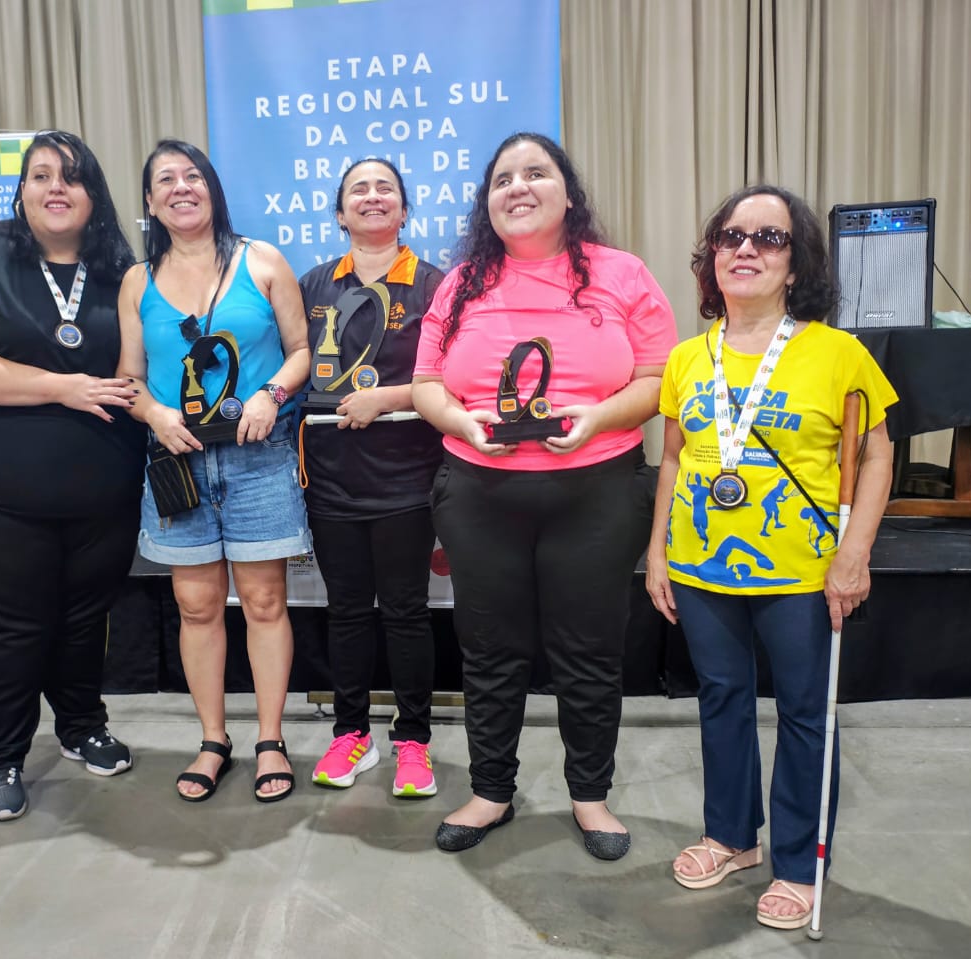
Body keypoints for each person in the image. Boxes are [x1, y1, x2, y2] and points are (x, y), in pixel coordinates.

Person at [411, 132, 677, 855]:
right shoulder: (461, 282)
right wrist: (463, 422)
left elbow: (660, 379)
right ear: (487, 202)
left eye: (536, 173)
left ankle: (590, 796)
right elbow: (427, 384)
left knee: (589, 651)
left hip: (596, 491)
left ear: (567, 192)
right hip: (479, 491)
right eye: (503, 178)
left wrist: (599, 417)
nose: (518, 187)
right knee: (489, 650)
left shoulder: (621, 274)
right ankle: (491, 791)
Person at [645, 185, 896, 929]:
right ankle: (731, 836)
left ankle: (798, 862)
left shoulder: (838, 354)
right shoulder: (688, 358)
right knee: (721, 697)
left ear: (796, 262)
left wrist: (856, 552)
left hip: (802, 573)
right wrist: (657, 550)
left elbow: (877, 456)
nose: (746, 248)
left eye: (768, 237)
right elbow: (674, 460)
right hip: (701, 567)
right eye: (731, 236)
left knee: (806, 713)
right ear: (712, 257)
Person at [0, 130, 147, 822]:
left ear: (94, 195)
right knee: (7, 627)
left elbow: (141, 368)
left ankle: (81, 726)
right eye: (41, 175)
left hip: (101, 492)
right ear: (21, 191)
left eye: (71, 177)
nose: (56, 187)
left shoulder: (122, 271)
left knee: (83, 620)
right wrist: (62, 387)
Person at [118, 139, 310, 803]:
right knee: (196, 606)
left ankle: (270, 739)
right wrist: (153, 413)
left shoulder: (263, 261)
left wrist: (271, 394)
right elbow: (129, 378)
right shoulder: (138, 282)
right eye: (166, 180)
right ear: (150, 202)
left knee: (264, 602)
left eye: (192, 175)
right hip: (179, 465)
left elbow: (302, 351)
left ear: (212, 187)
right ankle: (212, 739)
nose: (181, 187)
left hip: (260, 460)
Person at [298, 159, 445, 797]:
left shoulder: (435, 284)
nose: (373, 196)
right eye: (358, 189)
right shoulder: (312, 285)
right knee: (347, 612)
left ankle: (413, 741)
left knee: (407, 613)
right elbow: (293, 363)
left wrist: (386, 398)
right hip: (331, 479)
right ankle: (351, 734)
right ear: (340, 213)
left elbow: (455, 375)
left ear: (405, 210)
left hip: (408, 478)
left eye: (386, 187)